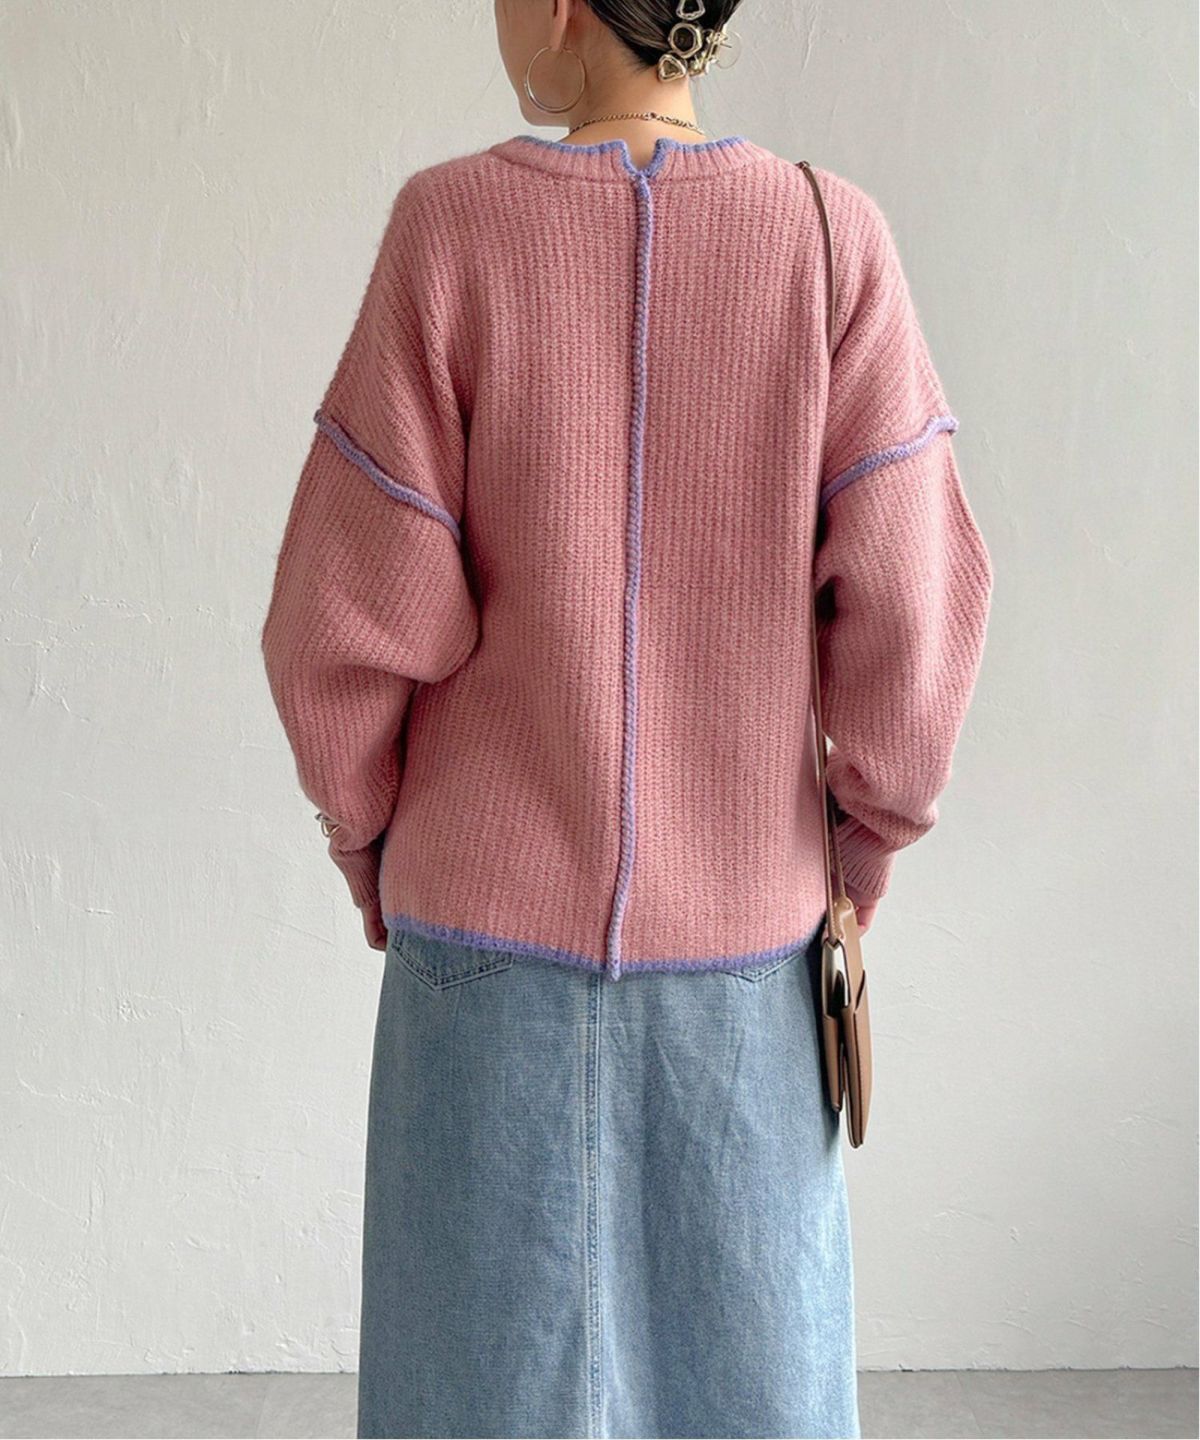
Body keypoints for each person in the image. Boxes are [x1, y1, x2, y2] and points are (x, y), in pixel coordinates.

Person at [259, 0, 994, 1435]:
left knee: (467, 1404)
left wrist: (369, 842)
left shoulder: (451, 230)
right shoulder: (831, 243)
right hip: (748, 965)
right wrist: (858, 854)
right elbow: (913, 619)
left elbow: (337, 621)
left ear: (555, 6)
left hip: (480, 962)